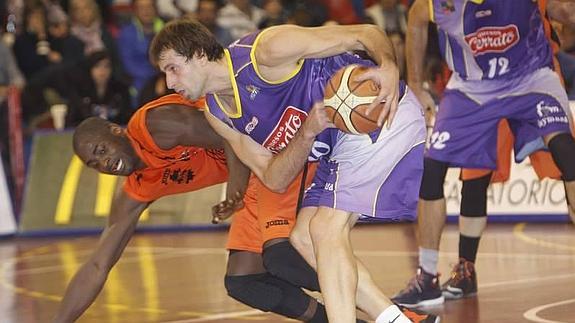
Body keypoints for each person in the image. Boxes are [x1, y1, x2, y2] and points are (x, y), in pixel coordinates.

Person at [150, 20, 438, 323]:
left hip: (379, 114)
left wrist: (389, 66)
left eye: (173, 68)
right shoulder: (218, 114)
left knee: (326, 229)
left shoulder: (267, 52)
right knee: (303, 238)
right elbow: (274, 178)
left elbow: (364, 34)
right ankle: (396, 319)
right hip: (338, 146)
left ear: (198, 54)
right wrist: (305, 133)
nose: (170, 83)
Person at [52, 94, 353, 323]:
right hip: (253, 175)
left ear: (116, 131)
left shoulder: (155, 126)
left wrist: (233, 189)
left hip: (276, 147)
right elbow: (97, 265)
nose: (105, 164)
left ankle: (378, 307)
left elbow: (229, 134)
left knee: (282, 257)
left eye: (101, 151)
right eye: (96, 164)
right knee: (246, 282)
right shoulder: (138, 187)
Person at [392, 0, 575, 308]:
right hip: (472, 89)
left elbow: (564, 12)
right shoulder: (442, 4)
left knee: (566, 154)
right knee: (444, 171)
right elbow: (415, 19)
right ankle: (433, 275)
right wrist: (414, 83)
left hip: (530, 79)